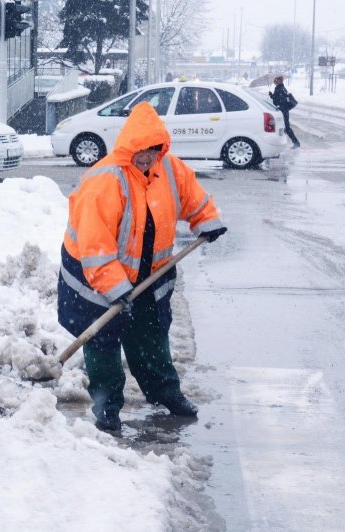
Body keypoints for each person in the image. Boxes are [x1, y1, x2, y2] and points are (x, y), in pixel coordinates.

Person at [57, 102, 227, 432]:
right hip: (94, 276)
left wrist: (207, 220)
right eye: (140, 150)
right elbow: (96, 247)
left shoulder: (170, 170)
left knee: (151, 338)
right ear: (128, 147)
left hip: (149, 276)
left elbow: (194, 198)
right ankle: (107, 404)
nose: (146, 156)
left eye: (152, 149)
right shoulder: (105, 181)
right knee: (103, 341)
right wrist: (116, 289)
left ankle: (166, 392)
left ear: (160, 147)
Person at [269, 75, 300, 149]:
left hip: (283, 111)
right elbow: (278, 99)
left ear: (278, 81)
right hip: (283, 111)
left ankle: (296, 142)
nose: (274, 82)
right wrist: (272, 95)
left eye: (275, 81)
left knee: (286, 128)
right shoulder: (280, 88)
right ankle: (289, 142)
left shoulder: (280, 89)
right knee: (283, 128)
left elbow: (279, 101)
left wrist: (274, 98)